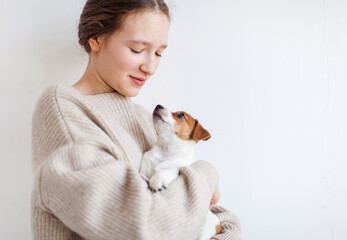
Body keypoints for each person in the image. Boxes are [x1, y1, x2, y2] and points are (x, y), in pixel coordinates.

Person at [31, 0, 241, 239]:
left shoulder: (143, 118)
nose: (150, 67)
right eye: (137, 50)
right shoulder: (66, 109)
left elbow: (213, 218)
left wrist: (222, 226)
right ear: (96, 38)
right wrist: (206, 174)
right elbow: (150, 227)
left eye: (159, 53)